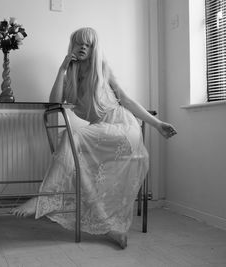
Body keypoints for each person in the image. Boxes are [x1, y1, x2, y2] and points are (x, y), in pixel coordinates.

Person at [10, 27, 177, 249]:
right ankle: (111, 230)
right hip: (101, 133)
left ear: (94, 48)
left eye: (87, 44)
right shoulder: (71, 76)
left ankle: (46, 197)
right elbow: (54, 102)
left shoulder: (102, 69)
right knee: (80, 169)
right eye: (78, 43)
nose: (82, 47)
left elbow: (126, 101)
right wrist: (62, 68)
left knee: (71, 135)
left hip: (123, 129)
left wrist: (157, 124)